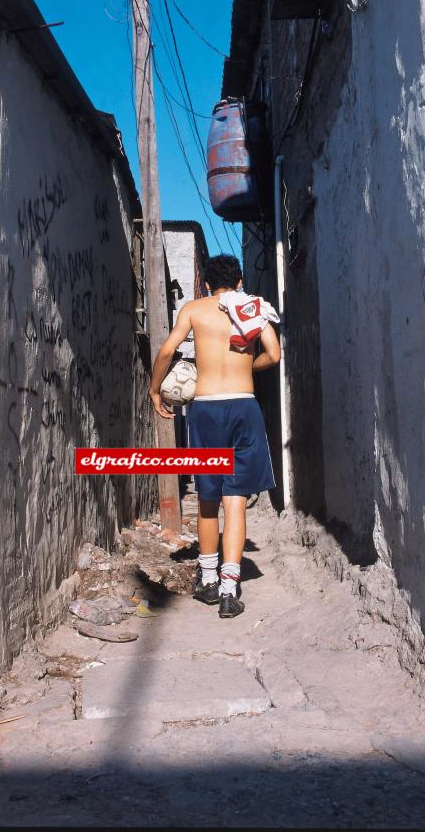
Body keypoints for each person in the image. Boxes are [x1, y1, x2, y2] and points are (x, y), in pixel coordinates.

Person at [149, 254, 281, 618]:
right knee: (235, 498)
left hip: (206, 409)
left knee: (208, 498)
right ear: (239, 281)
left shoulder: (195, 308)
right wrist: (246, 367)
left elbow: (166, 350)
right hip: (243, 406)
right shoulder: (252, 307)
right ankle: (228, 588)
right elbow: (274, 353)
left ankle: (206, 579)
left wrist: (155, 389)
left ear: (207, 284)